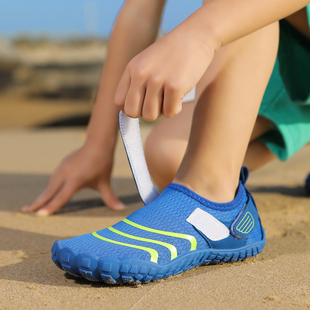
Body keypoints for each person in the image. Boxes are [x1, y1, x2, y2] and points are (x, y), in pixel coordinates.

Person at [25, 0, 310, 284]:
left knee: (230, 13)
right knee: (168, 155)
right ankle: (217, 189)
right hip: (291, 59)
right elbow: (140, 10)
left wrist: (199, 33)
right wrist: (97, 144)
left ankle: (211, 195)